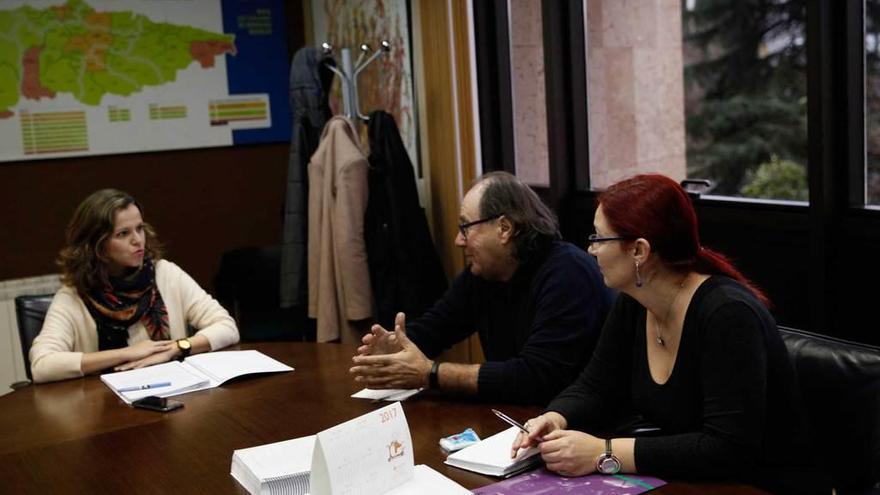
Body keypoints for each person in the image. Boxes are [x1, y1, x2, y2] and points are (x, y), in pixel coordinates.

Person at [511, 174, 828, 494]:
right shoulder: (634, 302)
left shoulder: (728, 314)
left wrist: (604, 453)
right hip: (687, 480)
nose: (591, 249)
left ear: (639, 250)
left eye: (598, 238)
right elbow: (596, 387)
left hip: (763, 484)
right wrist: (556, 417)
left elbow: (727, 448)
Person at [349, 172, 613, 405]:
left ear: (504, 229)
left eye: (465, 227)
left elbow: (536, 378)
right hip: (515, 417)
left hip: (579, 430)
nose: (458, 240)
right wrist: (394, 350)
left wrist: (430, 373)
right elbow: (435, 328)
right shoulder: (483, 274)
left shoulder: (568, 274)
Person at [30, 189, 240, 383]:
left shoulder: (165, 274)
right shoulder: (74, 296)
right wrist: (124, 354)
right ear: (97, 246)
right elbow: (42, 365)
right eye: (123, 234)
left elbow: (226, 327)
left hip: (174, 393)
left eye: (139, 229)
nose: (138, 240)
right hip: (105, 408)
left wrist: (175, 348)